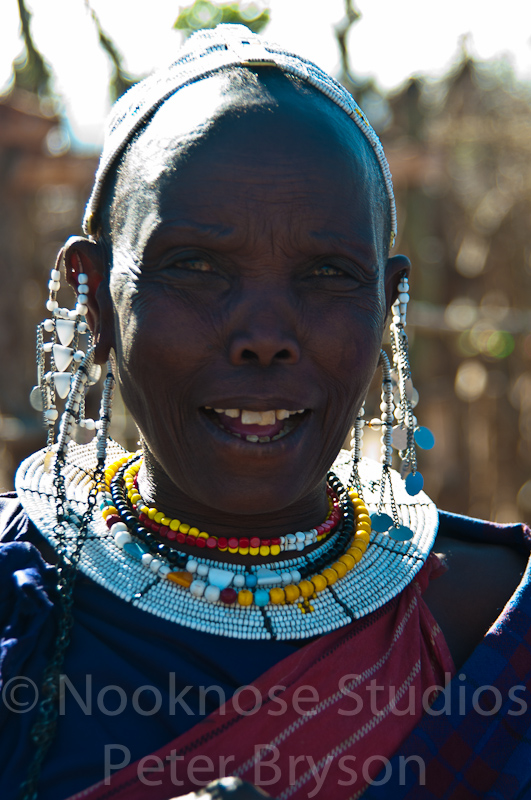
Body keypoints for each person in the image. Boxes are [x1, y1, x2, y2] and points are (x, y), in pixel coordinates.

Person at [1, 24, 530, 800]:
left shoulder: (494, 625)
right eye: (195, 266)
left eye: (326, 273)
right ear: (95, 301)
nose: (263, 336)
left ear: (385, 306)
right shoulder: (17, 603)